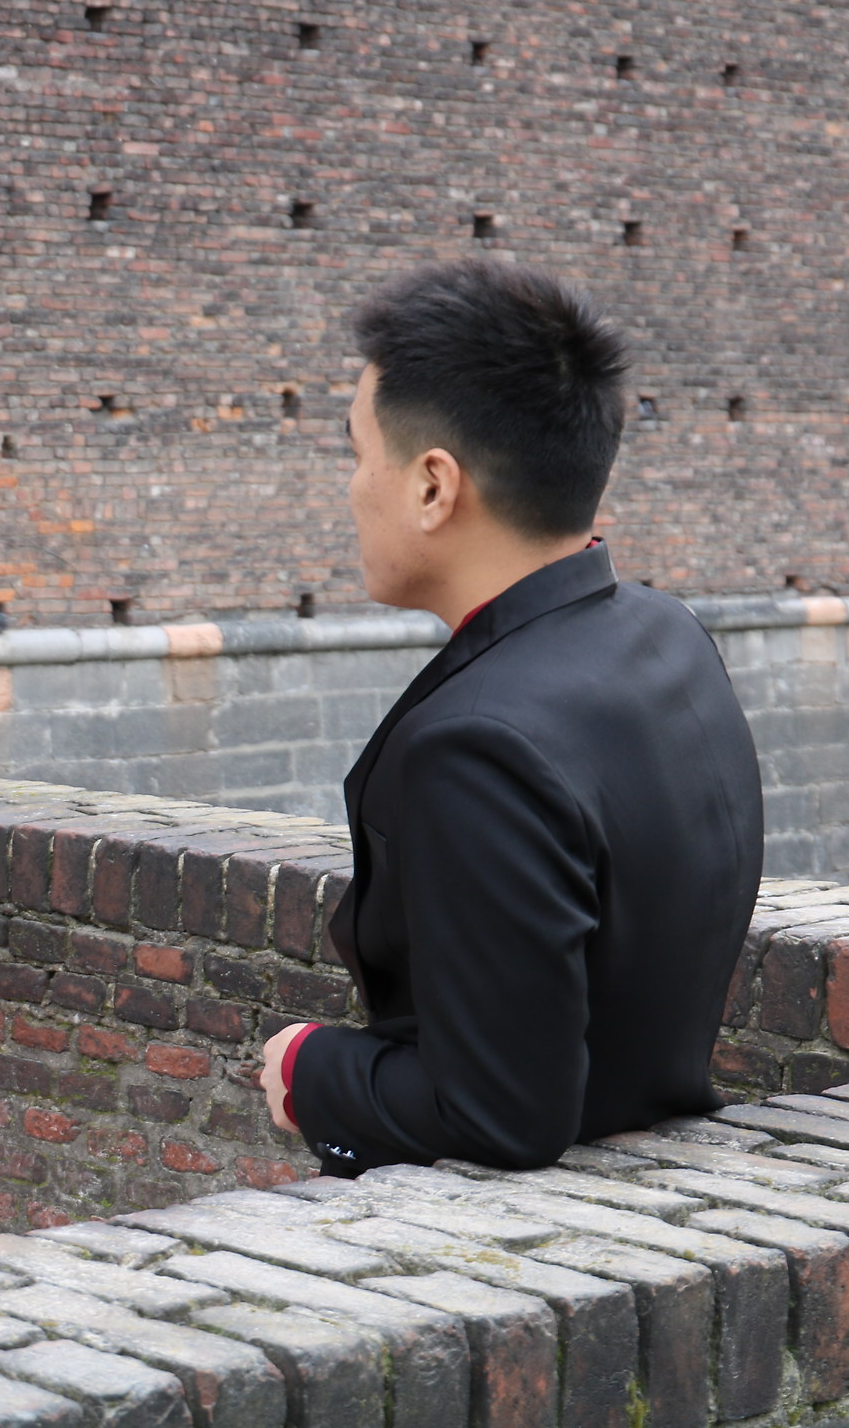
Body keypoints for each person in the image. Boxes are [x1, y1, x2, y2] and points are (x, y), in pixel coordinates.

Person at [262, 260, 764, 1177]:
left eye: (357, 453)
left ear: (432, 487)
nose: (350, 486)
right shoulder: (666, 633)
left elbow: (501, 1115)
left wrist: (309, 1067)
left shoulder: (478, 747)